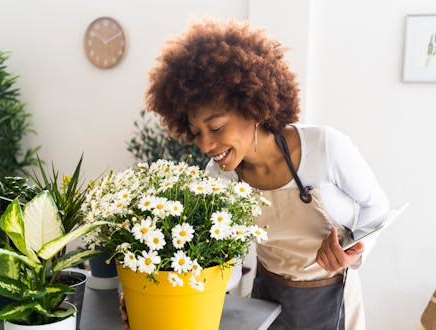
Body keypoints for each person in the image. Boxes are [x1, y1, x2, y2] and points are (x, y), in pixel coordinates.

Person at [125, 18, 390, 329]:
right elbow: (228, 266)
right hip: (268, 299)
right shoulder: (219, 178)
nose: (206, 145)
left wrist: (351, 253)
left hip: (333, 300)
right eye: (196, 133)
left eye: (216, 127)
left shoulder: (325, 147)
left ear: (252, 107)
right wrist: (158, 294)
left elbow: (377, 206)